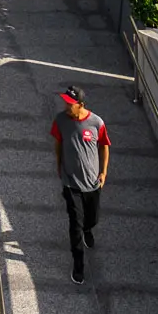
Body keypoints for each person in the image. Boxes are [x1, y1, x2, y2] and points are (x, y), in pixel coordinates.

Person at [51, 84, 111, 285]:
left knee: (91, 218)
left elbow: (104, 146)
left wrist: (103, 172)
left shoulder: (96, 123)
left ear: (81, 104)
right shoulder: (61, 121)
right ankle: (78, 265)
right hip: (71, 183)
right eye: (65, 103)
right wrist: (59, 166)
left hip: (93, 183)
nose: (66, 107)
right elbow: (58, 144)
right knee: (74, 224)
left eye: (70, 104)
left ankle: (89, 229)